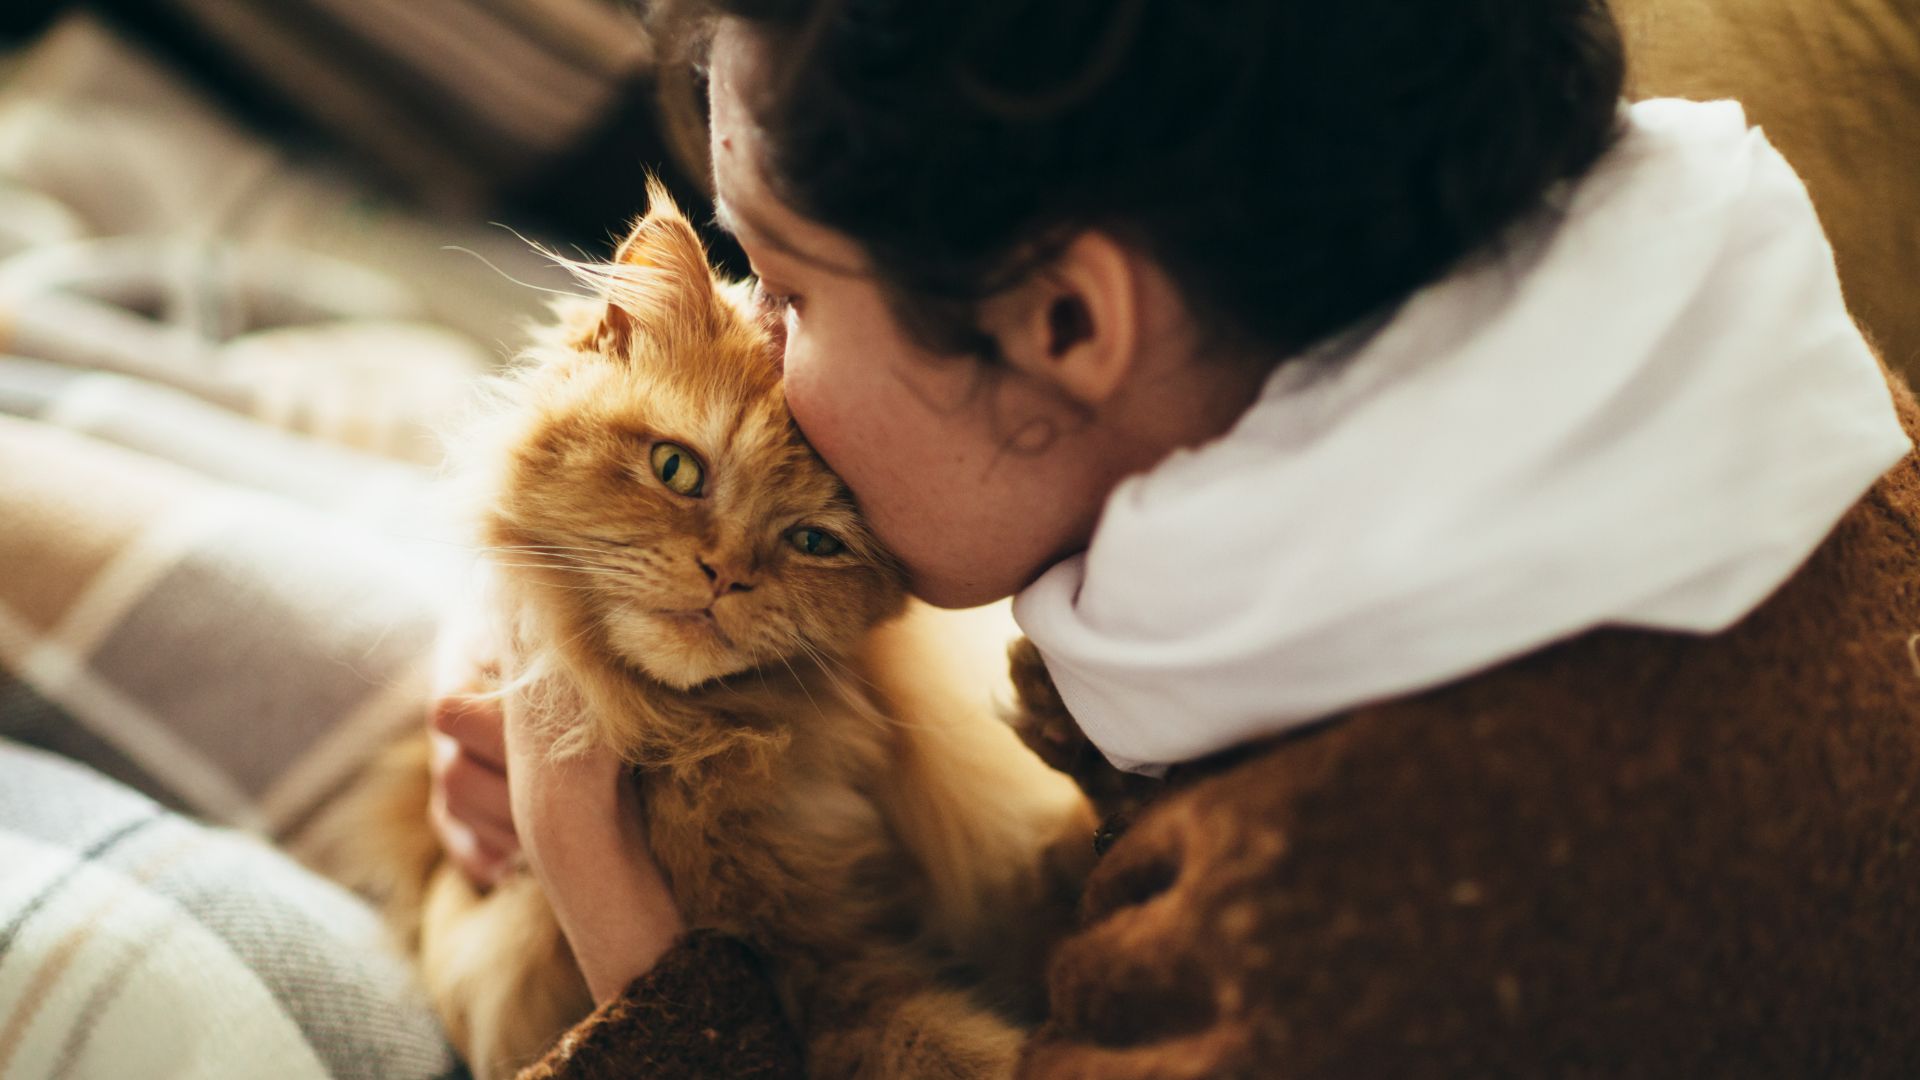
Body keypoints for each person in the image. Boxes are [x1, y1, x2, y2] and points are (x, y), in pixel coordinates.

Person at [431, 0, 1920, 1075]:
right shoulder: (1775, 397)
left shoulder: (1320, 943)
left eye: (793, 292)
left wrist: (604, 881)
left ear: (1068, 320)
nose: (754, 337)